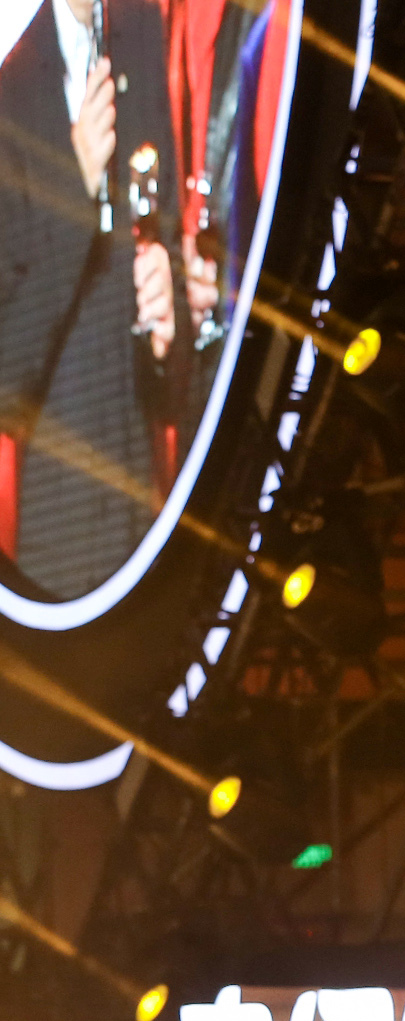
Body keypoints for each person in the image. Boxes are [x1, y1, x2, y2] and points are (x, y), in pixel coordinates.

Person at [0, 0, 186, 592]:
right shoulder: (10, 78)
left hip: (152, 486)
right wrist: (74, 181)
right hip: (60, 509)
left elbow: (172, 233)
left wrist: (169, 318)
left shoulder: (141, 31)